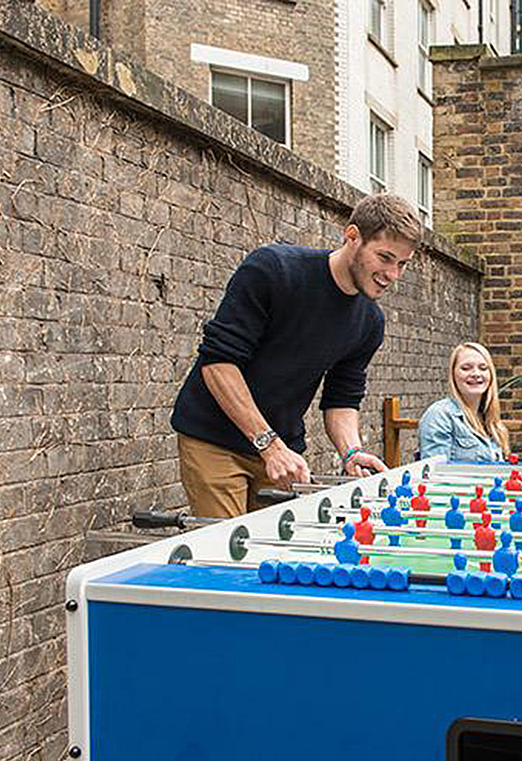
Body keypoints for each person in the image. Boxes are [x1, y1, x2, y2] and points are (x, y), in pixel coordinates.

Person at [170, 193, 420, 518]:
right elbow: (218, 364)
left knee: (275, 547)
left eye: (402, 264)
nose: (393, 274)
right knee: (225, 546)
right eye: (385, 257)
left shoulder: (370, 322)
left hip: (283, 448)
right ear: (352, 236)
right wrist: (269, 445)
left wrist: (351, 451)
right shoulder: (274, 269)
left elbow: (342, 399)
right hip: (215, 439)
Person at [418, 342, 510, 462]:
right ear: (453, 374)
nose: (476, 374)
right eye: (466, 368)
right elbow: (436, 469)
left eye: (483, 368)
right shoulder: (440, 415)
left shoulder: (490, 421)